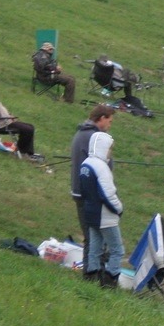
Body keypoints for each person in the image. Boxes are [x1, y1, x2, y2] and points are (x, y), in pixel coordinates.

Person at [70, 104, 115, 279]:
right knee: (95, 238)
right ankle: (92, 278)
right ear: (101, 118)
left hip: (80, 192)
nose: (110, 125)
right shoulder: (94, 137)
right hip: (90, 194)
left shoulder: (81, 133)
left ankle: (93, 276)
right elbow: (104, 166)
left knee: (93, 237)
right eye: (109, 121)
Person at [80, 132, 124, 288]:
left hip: (90, 213)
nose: (110, 153)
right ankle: (110, 280)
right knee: (117, 250)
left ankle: (91, 277)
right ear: (102, 147)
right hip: (105, 216)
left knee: (95, 248)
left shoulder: (85, 163)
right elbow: (108, 194)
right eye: (109, 149)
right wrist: (119, 208)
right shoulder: (102, 167)